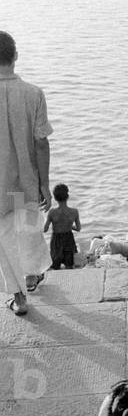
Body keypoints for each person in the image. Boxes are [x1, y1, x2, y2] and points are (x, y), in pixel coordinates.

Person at [0, 32, 52, 315]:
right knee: (30, 231)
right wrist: (45, 184)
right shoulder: (33, 94)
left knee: (4, 239)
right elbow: (41, 143)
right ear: (15, 56)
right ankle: (32, 275)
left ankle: (19, 297)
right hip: (26, 183)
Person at [43, 183, 80, 269]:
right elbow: (78, 228)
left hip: (56, 240)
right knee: (69, 264)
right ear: (67, 196)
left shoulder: (52, 212)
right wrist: (69, 225)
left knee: (55, 265)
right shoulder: (74, 212)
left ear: (55, 198)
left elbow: (45, 229)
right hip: (69, 238)